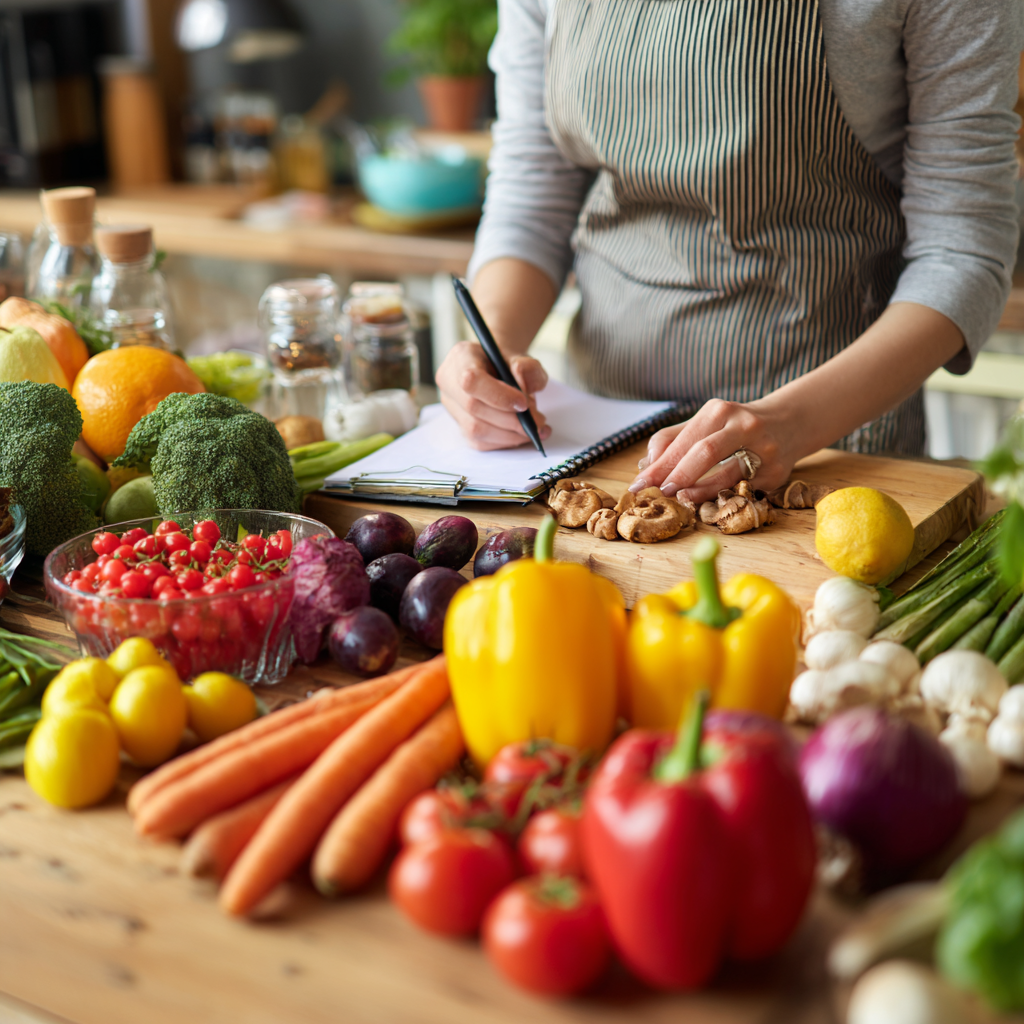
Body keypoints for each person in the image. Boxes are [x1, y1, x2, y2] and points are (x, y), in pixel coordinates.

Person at [435, 0, 1023, 505]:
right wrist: (494, 352)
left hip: (826, 451)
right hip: (597, 442)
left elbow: (962, 250)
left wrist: (791, 426)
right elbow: (533, 196)